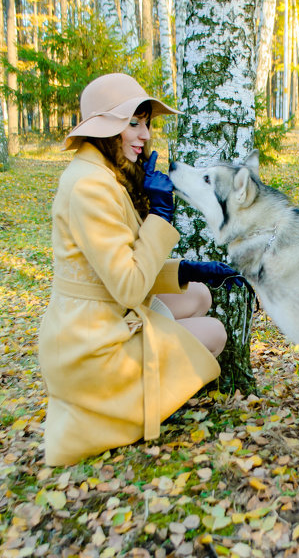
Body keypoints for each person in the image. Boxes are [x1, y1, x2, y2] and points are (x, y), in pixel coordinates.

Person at [39, 72, 242, 466]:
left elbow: (122, 269)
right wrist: (161, 215)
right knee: (214, 333)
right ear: (104, 129)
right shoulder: (90, 187)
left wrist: (189, 271)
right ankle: (129, 408)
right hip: (90, 347)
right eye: (133, 122)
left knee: (199, 294)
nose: (145, 134)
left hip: (101, 315)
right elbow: (130, 287)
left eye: (146, 122)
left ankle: (154, 383)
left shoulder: (102, 174)